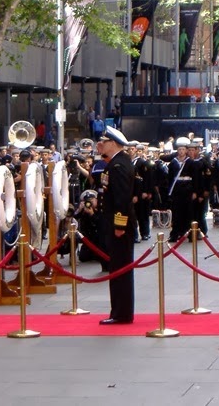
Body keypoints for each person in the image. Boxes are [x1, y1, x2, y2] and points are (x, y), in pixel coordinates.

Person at [97, 126, 135, 325]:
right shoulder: (117, 163)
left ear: (113, 143)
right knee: (117, 269)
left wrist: (119, 225)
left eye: (105, 142)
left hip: (119, 226)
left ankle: (121, 313)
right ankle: (119, 311)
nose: (102, 144)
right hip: (115, 224)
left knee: (120, 269)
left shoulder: (119, 166)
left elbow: (121, 199)